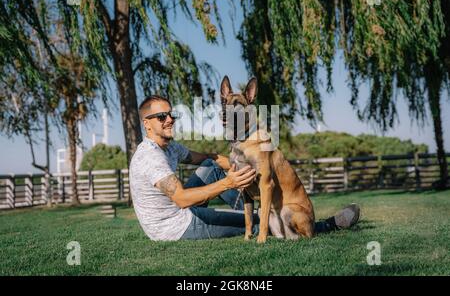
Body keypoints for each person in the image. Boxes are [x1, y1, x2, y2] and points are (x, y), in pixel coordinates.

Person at [129, 95, 360, 241]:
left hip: (183, 211)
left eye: (172, 114)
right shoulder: (150, 157)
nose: (169, 119)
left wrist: (255, 163)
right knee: (262, 218)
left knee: (212, 163)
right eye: (162, 116)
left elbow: (209, 159)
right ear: (146, 123)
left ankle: (254, 199)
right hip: (175, 226)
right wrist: (229, 183)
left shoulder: (170, 148)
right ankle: (325, 226)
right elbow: (180, 199)